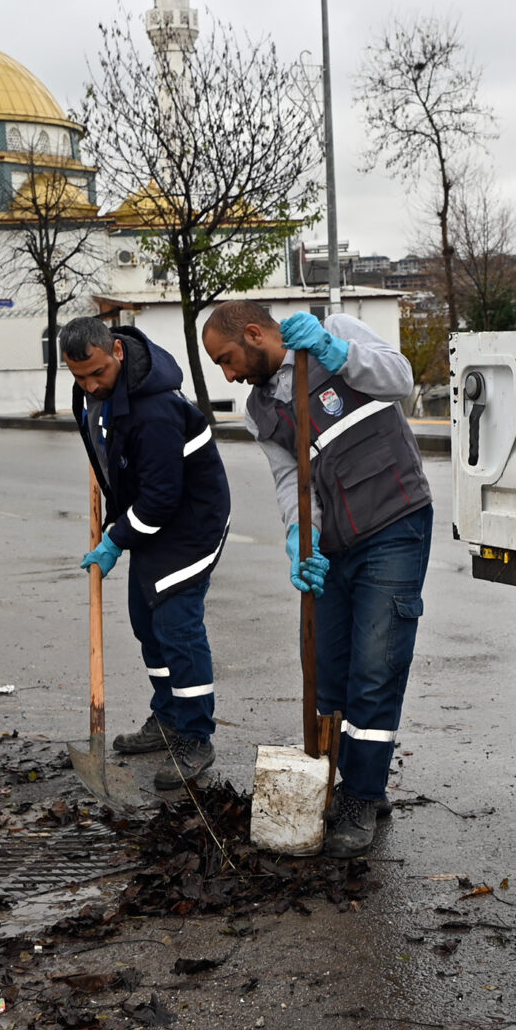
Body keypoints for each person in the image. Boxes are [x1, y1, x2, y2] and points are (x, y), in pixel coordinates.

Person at [201, 299, 432, 857]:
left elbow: (399, 380)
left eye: (228, 359)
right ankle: (329, 782)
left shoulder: (336, 333)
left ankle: (364, 795)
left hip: (393, 521)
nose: (228, 374)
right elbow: (290, 480)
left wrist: (339, 354)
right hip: (333, 544)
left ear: (255, 334)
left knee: (375, 665)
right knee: (328, 671)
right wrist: (300, 535)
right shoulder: (260, 410)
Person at [63, 312, 231, 791]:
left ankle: (195, 735)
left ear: (117, 351)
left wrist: (115, 539)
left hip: (191, 520)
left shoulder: (155, 408)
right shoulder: (93, 391)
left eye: (98, 373)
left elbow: (161, 496)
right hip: (153, 517)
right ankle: (170, 716)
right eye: (80, 377)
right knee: (145, 618)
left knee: (175, 624)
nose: (91, 385)